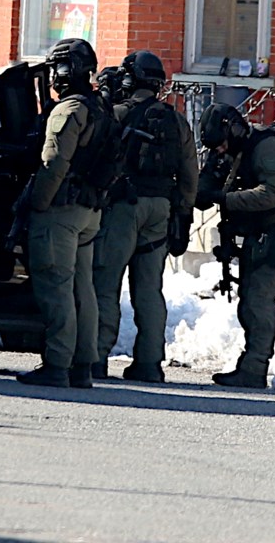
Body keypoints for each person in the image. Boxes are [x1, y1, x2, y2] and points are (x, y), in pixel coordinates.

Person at [92, 50, 198, 383]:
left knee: (106, 284)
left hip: (123, 207)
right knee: (150, 289)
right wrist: (182, 213)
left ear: (128, 79)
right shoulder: (176, 120)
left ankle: (96, 357)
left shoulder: (118, 114)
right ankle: (150, 362)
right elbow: (190, 174)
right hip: (161, 209)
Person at [16, 38, 113, 389]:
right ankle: (82, 365)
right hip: (89, 211)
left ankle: (57, 363)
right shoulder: (100, 106)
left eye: (56, 68)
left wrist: (35, 205)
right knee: (81, 289)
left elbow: (53, 165)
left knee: (56, 288)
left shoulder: (69, 110)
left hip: (60, 211)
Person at [195, 103, 275, 388]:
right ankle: (250, 365)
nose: (218, 151)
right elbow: (202, 189)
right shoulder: (228, 151)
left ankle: (255, 368)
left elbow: (270, 195)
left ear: (232, 132)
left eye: (220, 145)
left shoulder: (269, 147)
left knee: (259, 303)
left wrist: (224, 198)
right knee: (249, 300)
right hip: (253, 233)